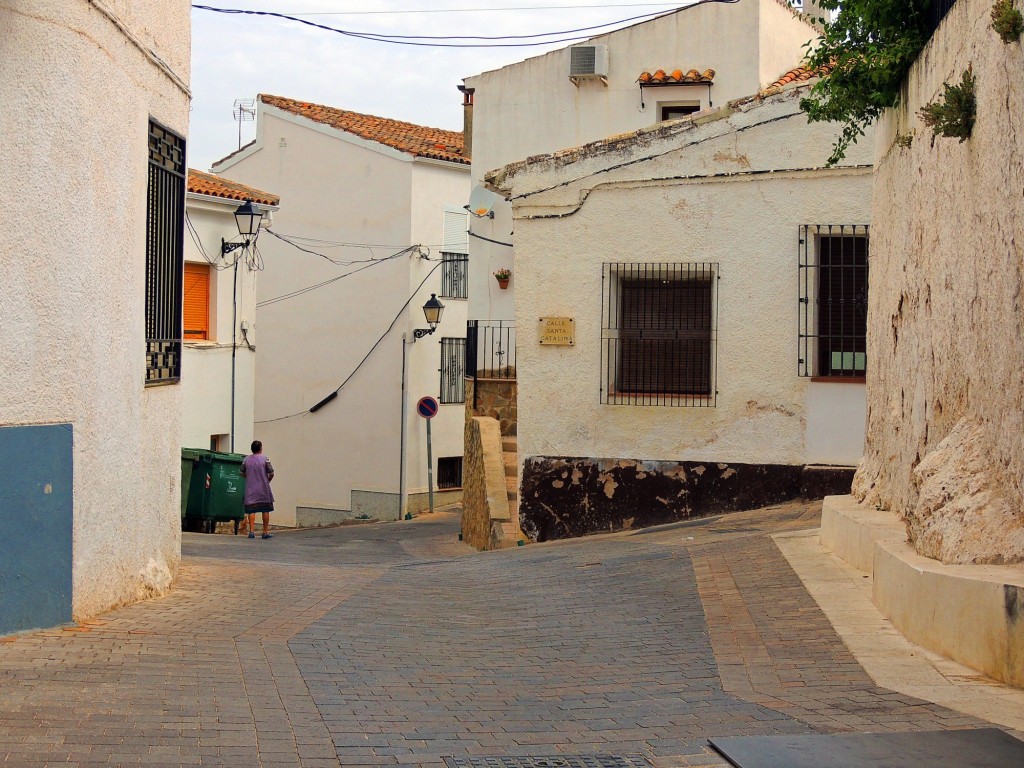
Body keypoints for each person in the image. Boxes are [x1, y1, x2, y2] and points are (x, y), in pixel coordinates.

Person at [240, 440, 275, 539]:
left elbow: (241, 472)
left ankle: (251, 531)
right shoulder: (265, 459)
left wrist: (248, 477)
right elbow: (271, 472)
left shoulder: (246, 460)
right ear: (260, 448)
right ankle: (265, 532)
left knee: (251, 510)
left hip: (251, 488)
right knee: (265, 509)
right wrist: (267, 480)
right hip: (263, 488)